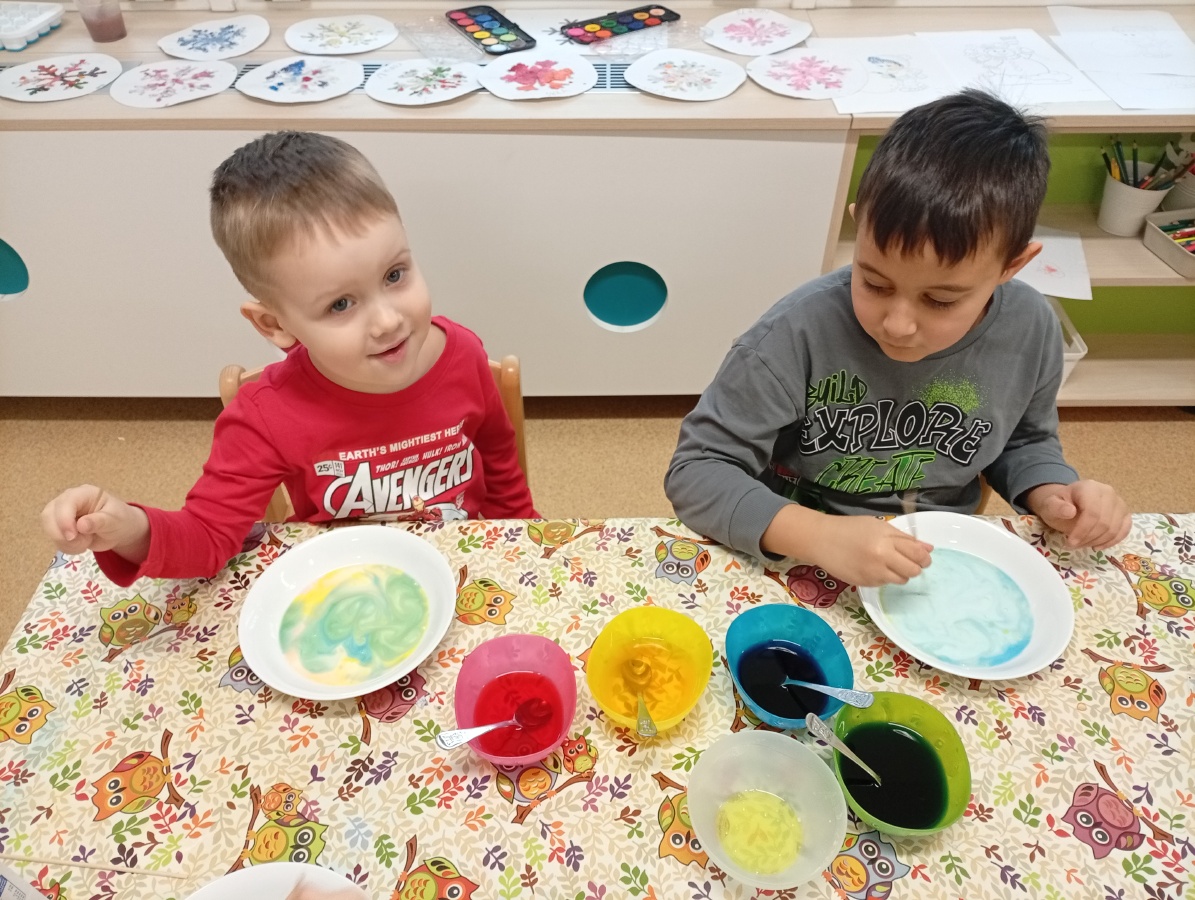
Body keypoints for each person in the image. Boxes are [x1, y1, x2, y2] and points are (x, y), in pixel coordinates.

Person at [665, 89, 1130, 587]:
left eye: (941, 300)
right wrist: (816, 535)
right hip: (803, 545)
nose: (898, 324)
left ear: (1011, 266)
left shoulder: (1030, 328)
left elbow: (1025, 439)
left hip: (938, 551)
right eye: (875, 283)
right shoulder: (794, 334)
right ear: (859, 226)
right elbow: (697, 470)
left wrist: (1053, 491)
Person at [41, 131, 536, 586]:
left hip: (461, 567)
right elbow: (208, 538)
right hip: (341, 586)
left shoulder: (462, 353)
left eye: (394, 275)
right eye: (340, 304)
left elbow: (498, 453)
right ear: (274, 325)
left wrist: (520, 534)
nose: (388, 321)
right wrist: (130, 529)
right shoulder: (265, 416)